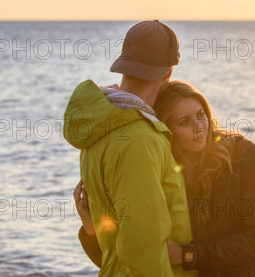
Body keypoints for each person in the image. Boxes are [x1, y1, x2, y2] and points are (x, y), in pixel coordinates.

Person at [74, 80, 255, 277]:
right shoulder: (159, 170)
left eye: (201, 115)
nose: (199, 127)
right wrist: (91, 227)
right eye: (185, 122)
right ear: (166, 128)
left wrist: (186, 255)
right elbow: (124, 260)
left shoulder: (243, 154)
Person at [64, 20, 197, 276]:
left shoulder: (101, 125)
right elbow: (143, 247)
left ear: (123, 66)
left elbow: (112, 234)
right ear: (168, 73)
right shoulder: (141, 138)